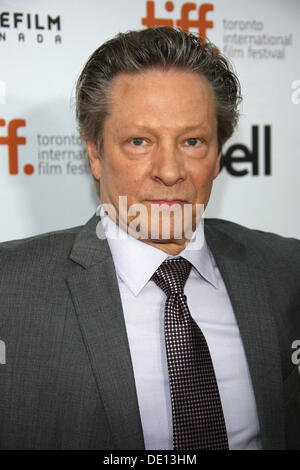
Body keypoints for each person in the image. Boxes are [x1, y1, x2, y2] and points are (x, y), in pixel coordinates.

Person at [0, 26, 299, 450]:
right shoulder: (9, 290)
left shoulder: (287, 269)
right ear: (96, 155)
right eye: (139, 141)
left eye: (192, 141)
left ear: (218, 156)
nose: (170, 170)